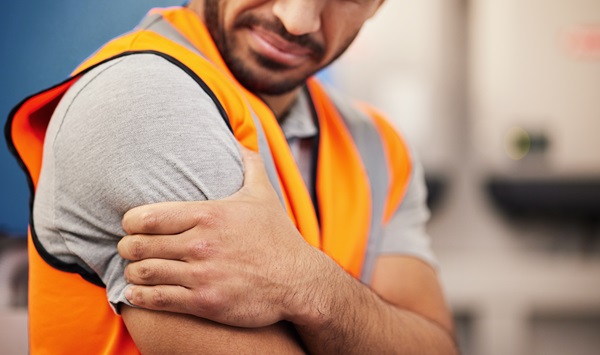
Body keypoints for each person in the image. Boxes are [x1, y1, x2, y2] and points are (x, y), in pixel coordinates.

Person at [6, 0, 457, 353]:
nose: (297, 20)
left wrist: (306, 283)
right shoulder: (142, 101)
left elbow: (437, 346)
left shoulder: (377, 145)